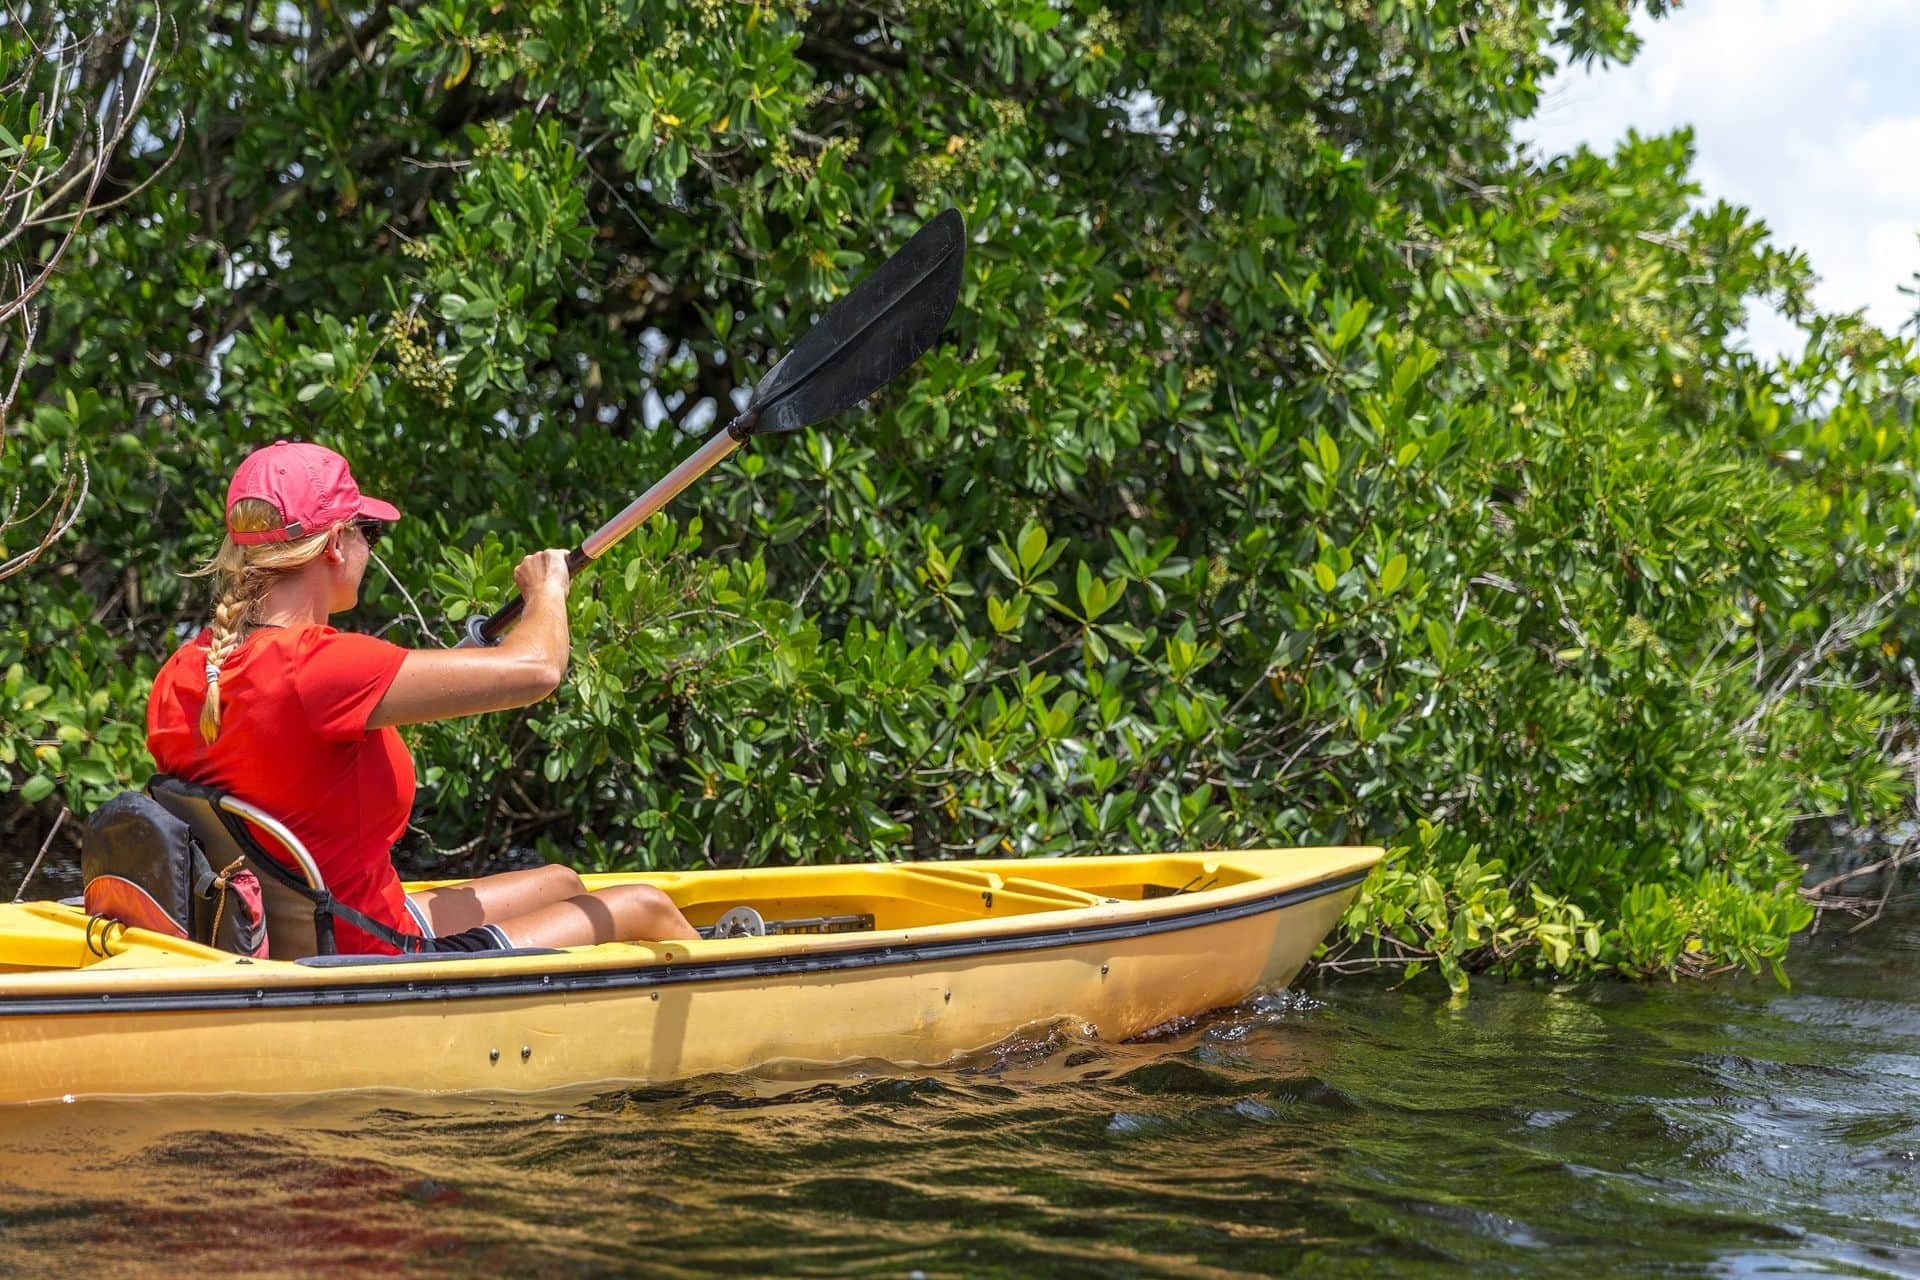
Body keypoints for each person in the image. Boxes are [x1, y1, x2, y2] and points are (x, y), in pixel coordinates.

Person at [146, 440, 699, 955]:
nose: (370, 546)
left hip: (303, 932)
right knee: (644, 906)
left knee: (563, 883)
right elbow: (539, 668)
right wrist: (548, 589)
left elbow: (296, 749)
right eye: (368, 532)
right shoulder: (319, 666)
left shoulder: (187, 671)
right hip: (376, 956)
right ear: (336, 544)